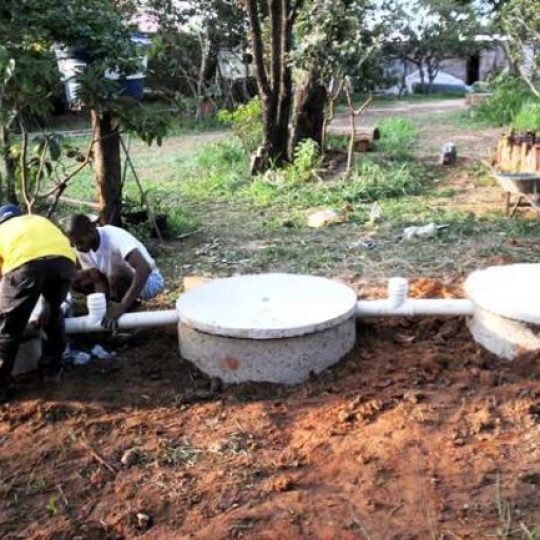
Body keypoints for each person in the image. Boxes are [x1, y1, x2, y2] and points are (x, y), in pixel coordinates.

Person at [0, 205, 76, 402]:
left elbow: (4, 280)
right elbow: (47, 261)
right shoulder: (37, 220)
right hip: (65, 262)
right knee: (53, 311)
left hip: (25, 264)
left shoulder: (2, 232)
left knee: (8, 327)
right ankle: (52, 372)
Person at [67, 214, 164, 330]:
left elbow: (144, 268)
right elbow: (96, 277)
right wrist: (102, 307)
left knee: (115, 275)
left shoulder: (113, 237)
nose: (77, 248)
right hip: (116, 283)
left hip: (149, 281)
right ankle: (110, 317)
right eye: (73, 244)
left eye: (80, 243)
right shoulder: (81, 247)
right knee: (75, 278)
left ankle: (127, 315)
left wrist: (122, 306)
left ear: (91, 232)